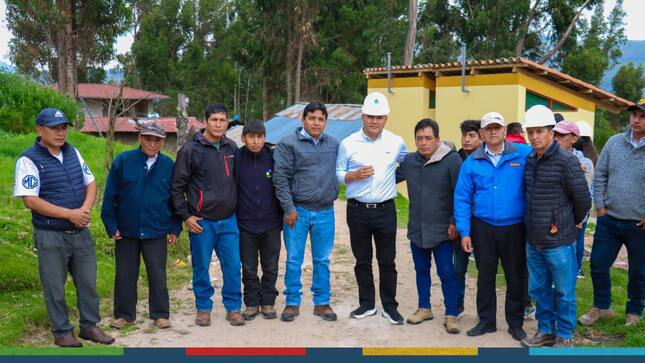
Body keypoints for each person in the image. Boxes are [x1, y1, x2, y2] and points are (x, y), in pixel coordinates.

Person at [13, 108, 114, 347]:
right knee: (54, 286)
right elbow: (31, 200)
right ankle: (62, 332)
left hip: (80, 232)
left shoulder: (73, 153)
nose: (60, 133)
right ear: (39, 130)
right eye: (54, 128)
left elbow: (90, 183)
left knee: (88, 282)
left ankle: (89, 327)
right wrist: (70, 214)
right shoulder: (28, 160)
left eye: (63, 128)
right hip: (51, 235)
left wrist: (84, 212)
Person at [454, 112, 531, 341]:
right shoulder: (472, 162)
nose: (493, 131)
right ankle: (486, 321)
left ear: (505, 131)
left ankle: (515, 323)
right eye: (489, 128)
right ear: (482, 134)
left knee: (515, 276)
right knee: (485, 275)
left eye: (497, 127)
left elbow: (548, 156)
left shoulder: (522, 154)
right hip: (483, 227)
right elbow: (462, 198)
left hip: (515, 227)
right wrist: (465, 231)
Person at [520, 106, 591, 348]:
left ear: (551, 132)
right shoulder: (530, 160)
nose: (534, 137)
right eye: (530, 132)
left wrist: (569, 223)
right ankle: (545, 330)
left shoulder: (566, 161)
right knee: (538, 289)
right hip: (534, 239)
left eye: (539, 131)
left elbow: (583, 200)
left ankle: (565, 334)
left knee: (564, 290)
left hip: (559, 241)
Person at [101, 121, 181, 330]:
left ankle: (160, 314)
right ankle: (125, 314)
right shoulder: (123, 161)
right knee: (125, 274)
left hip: (156, 229)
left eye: (157, 140)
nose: (152, 144)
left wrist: (175, 227)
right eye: (148, 139)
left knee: (157, 273)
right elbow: (110, 196)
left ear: (163, 141)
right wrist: (110, 225)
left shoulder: (168, 165)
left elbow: (176, 198)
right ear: (140, 138)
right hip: (126, 230)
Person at [337, 92, 408, 325]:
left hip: (385, 209)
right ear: (362, 116)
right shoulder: (348, 143)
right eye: (370, 116)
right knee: (362, 260)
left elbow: (408, 164)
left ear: (386, 118)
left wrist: (391, 179)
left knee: (387, 260)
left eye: (379, 117)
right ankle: (367, 304)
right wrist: (353, 175)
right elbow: (338, 173)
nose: (374, 121)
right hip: (357, 210)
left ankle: (390, 306)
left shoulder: (396, 142)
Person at [171, 104, 244, 327]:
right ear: (206, 122)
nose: (219, 124)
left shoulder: (231, 147)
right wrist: (185, 216)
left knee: (232, 265)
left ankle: (233, 307)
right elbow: (176, 187)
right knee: (201, 266)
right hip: (201, 222)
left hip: (229, 220)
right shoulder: (190, 150)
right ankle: (203, 307)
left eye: (223, 120)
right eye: (214, 120)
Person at [579, 99, 645, 328]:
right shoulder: (614, 142)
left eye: (641, 116)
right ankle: (601, 307)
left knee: (638, 271)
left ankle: (634, 311)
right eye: (633, 115)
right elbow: (600, 175)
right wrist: (601, 206)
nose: (635, 120)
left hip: (639, 224)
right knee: (597, 264)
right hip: (609, 220)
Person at [273, 101, 339, 322]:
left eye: (321, 119)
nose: (316, 122)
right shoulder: (287, 143)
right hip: (297, 213)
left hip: (325, 212)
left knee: (322, 259)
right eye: (312, 118)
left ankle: (322, 302)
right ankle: (292, 302)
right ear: (303, 119)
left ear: (325, 122)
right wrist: (289, 208)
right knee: (293, 259)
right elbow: (280, 178)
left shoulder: (333, 144)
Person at [396, 119, 462, 333]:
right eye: (419, 138)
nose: (423, 143)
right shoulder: (410, 161)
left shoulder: (452, 161)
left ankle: (451, 313)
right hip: (417, 228)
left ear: (437, 139)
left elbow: (459, 195)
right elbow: (389, 177)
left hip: (443, 229)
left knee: (446, 271)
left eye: (428, 138)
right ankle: (424, 308)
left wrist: (454, 221)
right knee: (421, 270)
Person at [235, 120, 282, 321]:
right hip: (245, 224)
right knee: (248, 267)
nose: (255, 141)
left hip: (271, 223)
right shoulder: (236, 158)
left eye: (259, 136)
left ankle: (268, 301)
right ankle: (252, 303)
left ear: (264, 137)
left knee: (271, 265)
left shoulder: (273, 157)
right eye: (251, 137)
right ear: (243, 138)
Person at [553, 121, 594, 279]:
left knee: (575, 243)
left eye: (561, 135)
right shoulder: (547, 157)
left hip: (574, 215)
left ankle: (575, 270)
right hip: (554, 215)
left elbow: (586, 192)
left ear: (574, 138)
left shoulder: (584, 162)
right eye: (555, 135)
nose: (556, 139)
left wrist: (580, 218)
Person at [454, 120, 481, 318]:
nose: (466, 139)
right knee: (458, 266)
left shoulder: (487, 160)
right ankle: (458, 303)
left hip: (483, 223)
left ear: (481, 137)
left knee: (485, 268)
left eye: (471, 135)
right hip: (461, 221)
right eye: (464, 135)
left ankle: (485, 310)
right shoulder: (456, 160)